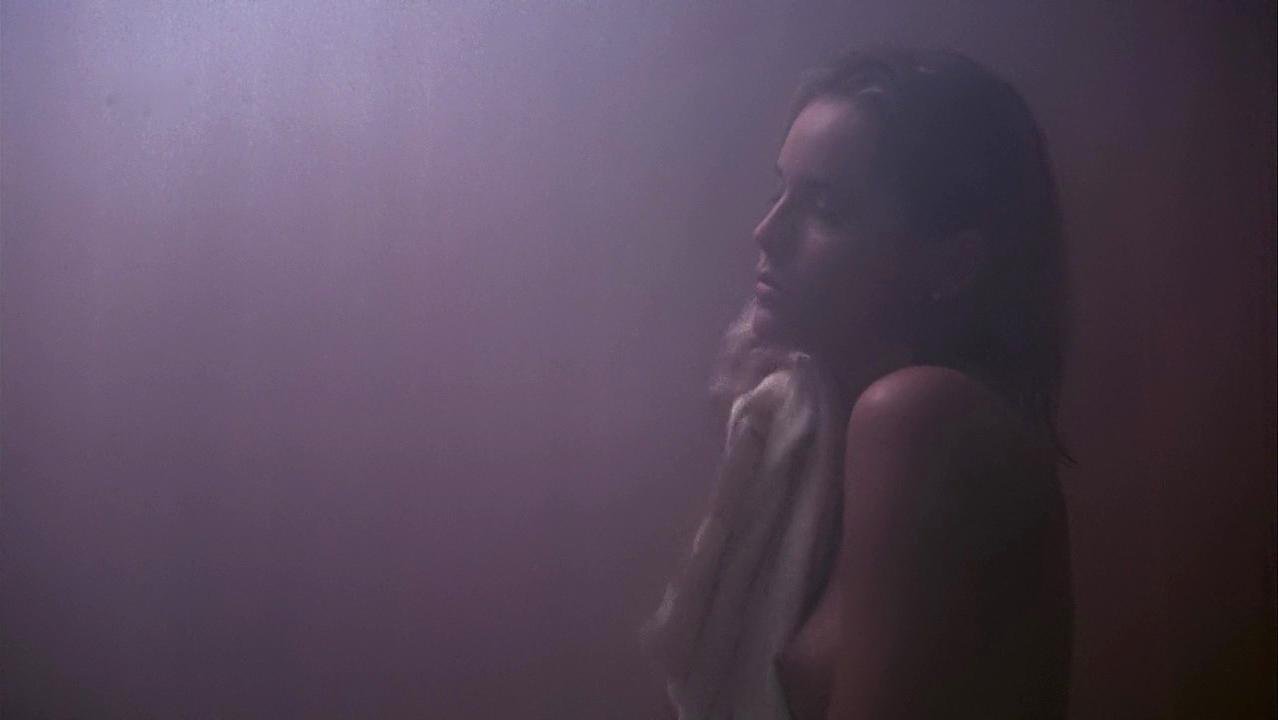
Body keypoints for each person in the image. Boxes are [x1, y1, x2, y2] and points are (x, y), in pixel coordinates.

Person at [642, 48, 1073, 719]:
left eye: (826, 207)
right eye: (779, 192)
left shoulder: (921, 419)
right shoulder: (807, 431)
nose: (766, 232)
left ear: (951, 264)